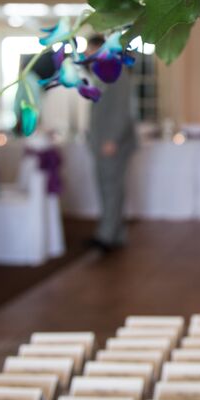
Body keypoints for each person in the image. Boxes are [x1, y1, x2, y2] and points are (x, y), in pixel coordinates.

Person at [87, 35, 137, 252]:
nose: (87, 54)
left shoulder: (116, 72)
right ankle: (112, 233)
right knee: (106, 187)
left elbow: (122, 110)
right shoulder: (101, 72)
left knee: (111, 187)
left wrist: (112, 139)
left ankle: (108, 235)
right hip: (101, 141)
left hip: (112, 143)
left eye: (91, 50)